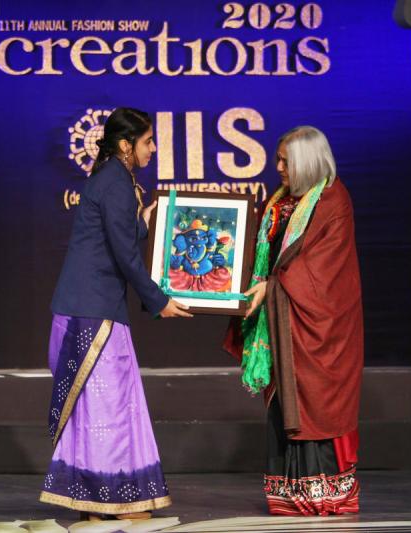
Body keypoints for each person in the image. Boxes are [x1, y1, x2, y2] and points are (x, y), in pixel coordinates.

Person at [40, 107, 191, 521]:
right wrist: (159, 300)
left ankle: (97, 500)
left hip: (87, 308)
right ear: (126, 145)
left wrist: (143, 222)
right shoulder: (116, 182)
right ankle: (108, 500)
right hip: (93, 311)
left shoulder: (111, 179)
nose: (153, 148)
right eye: (147, 141)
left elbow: (116, 234)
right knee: (107, 408)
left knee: (101, 406)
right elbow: (125, 254)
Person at [224, 126, 363, 516]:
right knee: (283, 401)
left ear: (308, 162)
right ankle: (289, 492)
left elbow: (322, 270)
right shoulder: (280, 201)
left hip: (317, 325)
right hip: (282, 321)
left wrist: (271, 288)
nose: (279, 167)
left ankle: (324, 493)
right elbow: (265, 255)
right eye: (279, 159)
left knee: (313, 400)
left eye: (286, 161)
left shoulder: (332, 200)